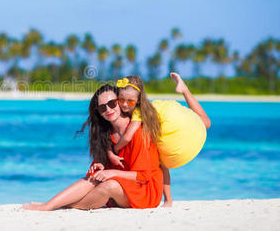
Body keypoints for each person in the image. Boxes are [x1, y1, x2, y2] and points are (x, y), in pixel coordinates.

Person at [22, 84, 163, 211]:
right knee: (94, 178)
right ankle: (49, 205)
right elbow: (100, 170)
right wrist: (99, 166)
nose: (108, 110)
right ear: (99, 113)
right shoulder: (106, 134)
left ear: (120, 102)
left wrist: (111, 173)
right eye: (103, 108)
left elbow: (143, 176)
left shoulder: (138, 133)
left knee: (109, 185)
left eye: (112, 103)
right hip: (123, 186)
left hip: (145, 191)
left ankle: (58, 205)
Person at [107, 72, 211, 207]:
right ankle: (184, 90)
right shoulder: (150, 105)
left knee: (161, 164)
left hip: (173, 125)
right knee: (206, 123)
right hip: (175, 115)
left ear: (138, 100)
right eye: (121, 100)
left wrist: (114, 150)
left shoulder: (138, 112)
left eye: (130, 101)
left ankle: (168, 200)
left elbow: (127, 136)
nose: (125, 105)